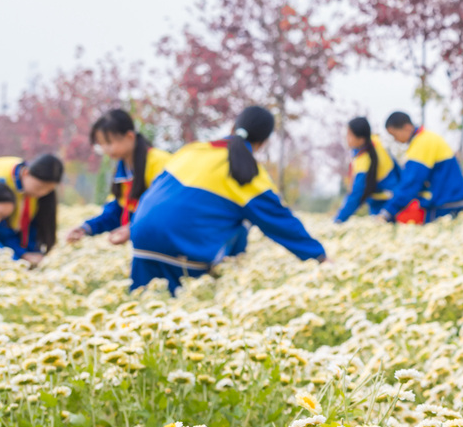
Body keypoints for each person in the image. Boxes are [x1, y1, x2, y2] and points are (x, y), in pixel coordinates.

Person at [126, 106, 325, 293]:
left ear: (233, 127)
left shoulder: (192, 150)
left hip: (142, 243)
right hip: (184, 250)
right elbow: (281, 223)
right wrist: (320, 257)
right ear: (263, 142)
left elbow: (158, 198)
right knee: (243, 220)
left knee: (140, 307)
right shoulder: (248, 172)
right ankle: (230, 271)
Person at [66, 109, 168, 246]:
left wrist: (132, 229)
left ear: (130, 136)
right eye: (101, 144)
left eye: (109, 143)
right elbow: (117, 211)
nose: (105, 149)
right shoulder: (122, 169)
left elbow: (165, 210)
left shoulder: (159, 162)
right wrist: (86, 228)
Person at [381, 112, 463, 223]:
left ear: (407, 127)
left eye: (394, 135)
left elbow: (411, 183)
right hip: (451, 198)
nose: (395, 140)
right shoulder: (426, 138)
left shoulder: (422, 143)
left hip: (444, 201)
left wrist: (387, 212)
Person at [333, 116, 400, 224]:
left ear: (361, 139)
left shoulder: (363, 162)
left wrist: (338, 220)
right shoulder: (376, 142)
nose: (346, 138)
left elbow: (356, 195)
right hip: (385, 200)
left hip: (387, 204)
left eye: (350, 135)